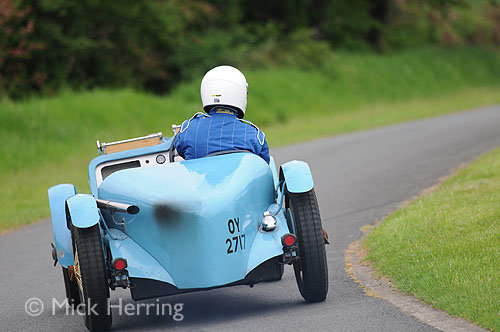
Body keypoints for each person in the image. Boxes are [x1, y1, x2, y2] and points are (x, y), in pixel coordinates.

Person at [174, 65, 270, 164]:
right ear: (240, 93)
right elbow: (264, 166)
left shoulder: (188, 128)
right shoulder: (254, 134)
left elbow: (179, 149)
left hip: (198, 179)